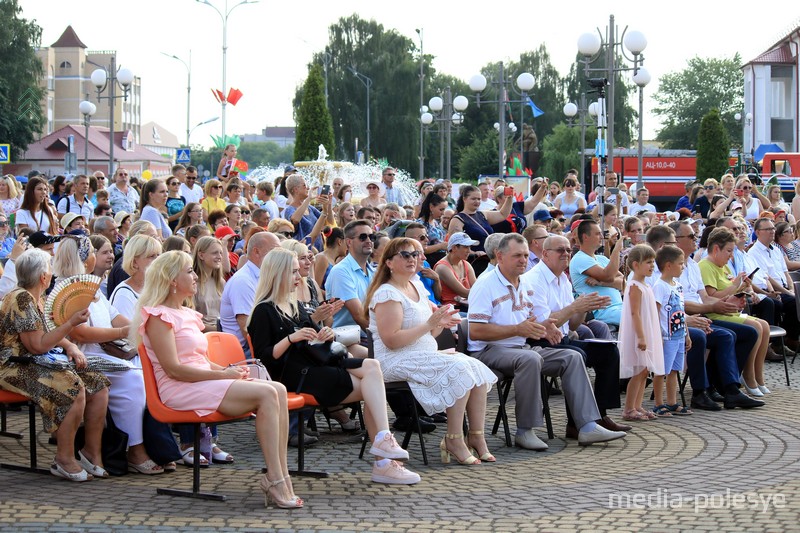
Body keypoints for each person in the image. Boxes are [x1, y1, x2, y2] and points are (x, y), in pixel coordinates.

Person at [132, 251, 300, 507]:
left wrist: (228, 370)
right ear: (172, 280)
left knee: (276, 388)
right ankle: (275, 478)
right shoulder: (158, 316)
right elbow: (174, 369)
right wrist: (221, 374)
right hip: (179, 389)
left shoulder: (186, 313)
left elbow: (198, 358)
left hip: (200, 381)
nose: (195, 276)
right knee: (267, 393)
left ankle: (281, 475)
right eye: (189, 271)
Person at [249, 248, 420, 484]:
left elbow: (314, 341)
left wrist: (325, 334)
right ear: (277, 274)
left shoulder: (295, 306)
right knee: (373, 389)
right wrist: (291, 338)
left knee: (372, 367)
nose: (299, 277)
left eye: (298, 272)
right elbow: (265, 358)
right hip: (295, 376)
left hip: (317, 365)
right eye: (293, 272)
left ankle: (383, 443)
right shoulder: (263, 311)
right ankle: (384, 462)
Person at [467, 233, 626, 449]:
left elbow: (534, 320)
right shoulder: (485, 285)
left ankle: (587, 426)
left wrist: (546, 327)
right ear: (500, 256)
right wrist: (518, 329)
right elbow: (475, 331)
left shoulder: (523, 283)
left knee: (571, 356)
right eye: (517, 256)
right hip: (489, 350)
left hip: (520, 346)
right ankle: (525, 430)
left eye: (525, 255)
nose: (523, 260)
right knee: (530, 358)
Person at [365, 237, 497, 464]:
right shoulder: (387, 293)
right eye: (405, 255)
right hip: (394, 360)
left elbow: (428, 335)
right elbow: (392, 341)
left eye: (415, 254)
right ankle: (453, 439)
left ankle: (476, 436)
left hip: (421, 355)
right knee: (459, 368)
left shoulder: (416, 285)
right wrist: (429, 324)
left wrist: (439, 323)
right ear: (388, 262)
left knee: (476, 369)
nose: (412, 259)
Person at [55, 235, 168, 474]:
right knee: (135, 379)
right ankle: (134, 450)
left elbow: (117, 316)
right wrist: (125, 330)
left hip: (103, 356)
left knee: (145, 375)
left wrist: (143, 326)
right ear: (85, 259)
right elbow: (82, 334)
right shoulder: (67, 291)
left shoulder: (91, 287)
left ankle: (151, 447)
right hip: (82, 357)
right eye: (95, 251)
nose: (99, 255)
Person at [0, 248, 110, 482]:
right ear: (43, 277)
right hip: (12, 366)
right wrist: (70, 324)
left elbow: (45, 331)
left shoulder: (33, 297)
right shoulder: (20, 298)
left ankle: (91, 452)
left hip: (32, 361)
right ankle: (64, 458)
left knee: (97, 384)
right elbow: (37, 345)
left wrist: (70, 346)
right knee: (73, 386)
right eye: (49, 270)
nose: (51, 274)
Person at [523, 235, 630, 435]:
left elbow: (572, 324)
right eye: (560, 250)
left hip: (561, 339)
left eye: (568, 250)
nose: (566, 254)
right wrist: (575, 306)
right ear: (545, 254)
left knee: (608, 351)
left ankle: (600, 414)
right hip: (541, 342)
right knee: (577, 355)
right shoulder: (534, 279)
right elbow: (544, 326)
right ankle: (578, 424)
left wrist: (583, 307)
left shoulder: (562, 278)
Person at [699, 227, 771, 396]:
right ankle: (747, 375)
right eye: (729, 251)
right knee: (756, 328)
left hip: (730, 312)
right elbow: (712, 297)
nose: (731, 256)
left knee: (765, 325)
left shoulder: (722, 266)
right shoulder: (706, 266)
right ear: (716, 248)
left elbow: (730, 291)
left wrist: (744, 288)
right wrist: (735, 285)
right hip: (716, 314)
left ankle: (757, 375)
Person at [619, 245, 663, 421]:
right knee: (639, 371)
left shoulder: (645, 285)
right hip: (639, 333)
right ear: (636, 265)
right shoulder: (635, 286)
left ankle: (637, 405)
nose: (652, 265)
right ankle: (629, 408)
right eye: (648, 262)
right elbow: (634, 313)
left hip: (647, 331)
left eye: (653, 262)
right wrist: (641, 336)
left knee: (644, 371)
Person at [219, 232, 280, 353]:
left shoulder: (264, 277)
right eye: (274, 251)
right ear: (256, 252)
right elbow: (248, 329)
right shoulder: (243, 281)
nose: (279, 256)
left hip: (262, 343)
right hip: (244, 351)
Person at [650, 246, 693, 416]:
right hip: (666, 336)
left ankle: (672, 402)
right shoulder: (659, 286)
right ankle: (659, 404)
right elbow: (655, 312)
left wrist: (687, 333)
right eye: (680, 264)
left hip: (678, 334)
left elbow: (681, 311)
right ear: (668, 265)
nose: (683, 267)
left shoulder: (678, 286)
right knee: (662, 370)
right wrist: (657, 335)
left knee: (674, 370)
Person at [569, 220, 624, 325]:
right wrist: (616, 251)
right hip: (603, 312)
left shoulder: (602, 259)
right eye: (598, 234)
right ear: (585, 237)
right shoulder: (579, 259)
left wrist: (601, 283)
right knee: (637, 318)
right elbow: (608, 276)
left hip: (619, 307)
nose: (602, 237)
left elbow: (623, 282)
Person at [109, 235, 162, 317]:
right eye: (152, 256)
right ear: (134, 262)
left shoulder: (158, 287)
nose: (158, 260)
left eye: (159, 255)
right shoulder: (124, 295)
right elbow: (128, 329)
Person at [283, 174, 333, 252]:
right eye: (304, 185)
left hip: (318, 251)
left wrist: (328, 205)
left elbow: (328, 221)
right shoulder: (290, 209)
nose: (308, 188)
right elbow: (295, 220)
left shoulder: (310, 208)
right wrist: (308, 199)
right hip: (303, 252)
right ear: (296, 189)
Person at [434, 232, 477, 311]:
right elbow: (464, 293)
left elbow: (476, 288)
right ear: (454, 248)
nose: (469, 251)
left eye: (469, 247)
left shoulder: (466, 264)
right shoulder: (442, 267)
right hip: (451, 309)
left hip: (467, 306)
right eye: (465, 247)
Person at [313, 227, 346, 295]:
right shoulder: (322, 258)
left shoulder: (334, 261)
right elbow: (315, 288)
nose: (349, 246)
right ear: (340, 242)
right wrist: (334, 297)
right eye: (347, 242)